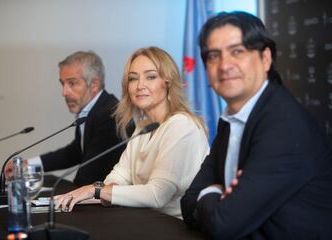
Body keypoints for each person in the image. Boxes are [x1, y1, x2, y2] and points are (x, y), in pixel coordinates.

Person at [181, 11, 332, 239]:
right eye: (213, 56)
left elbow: (224, 224)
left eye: (237, 52)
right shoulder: (231, 118)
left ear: (265, 59)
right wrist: (218, 199)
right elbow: (188, 201)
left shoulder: (285, 125)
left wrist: (210, 193)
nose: (224, 65)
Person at [54, 46, 210, 219]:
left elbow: (157, 195)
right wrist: (104, 190)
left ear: (168, 82)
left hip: (178, 229)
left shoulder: (181, 125)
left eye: (150, 77)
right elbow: (119, 175)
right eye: (133, 79)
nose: (140, 85)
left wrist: (97, 190)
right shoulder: (143, 127)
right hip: (147, 222)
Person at [5, 51, 126, 186]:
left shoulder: (109, 115)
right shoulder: (93, 110)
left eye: (72, 83)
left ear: (94, 85)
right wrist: (28, 165)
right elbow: (74, 152)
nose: (64, 92)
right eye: (63, 84)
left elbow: (88, 176)